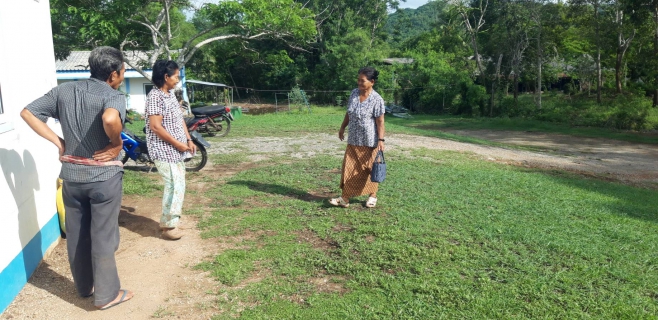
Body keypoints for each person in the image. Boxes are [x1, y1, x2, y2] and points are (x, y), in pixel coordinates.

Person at [21, 46, 134, 310]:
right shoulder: (112, 95)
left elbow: (28, 113)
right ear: (114, 74)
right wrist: (116, 142)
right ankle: (107, 295)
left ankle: (85, 287)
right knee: (103, 236)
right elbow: (109, 118)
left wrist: (59, 143)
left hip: (71, 177)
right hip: (103, 177)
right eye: (123, 71)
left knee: (77, 234)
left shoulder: (63, 91)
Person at [145, 60, 196, 240]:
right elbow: (155, 127)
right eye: (176, 76)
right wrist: (177, 143)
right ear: (166, 77)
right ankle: (169, 226)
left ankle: (168, 221)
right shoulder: (155, 97)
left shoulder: (170, 94)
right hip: (163, 150)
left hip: (176, 149)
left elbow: (179, 119)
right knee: (174, 185)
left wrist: (188, 139)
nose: (178, 80)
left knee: (178, 184)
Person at [329, 67, 386, 208]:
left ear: (372, 82)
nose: (359, 83)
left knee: (370, 170)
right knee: (349, 169)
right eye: (358, 80)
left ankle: (372, 196)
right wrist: (342, 127)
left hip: (369, 141)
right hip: (353, 140)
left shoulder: (377, 99)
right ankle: (345, 198)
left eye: (363, 81)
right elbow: (349, 113)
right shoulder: (354, 93)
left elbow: (380, 122)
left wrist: (381, 140)